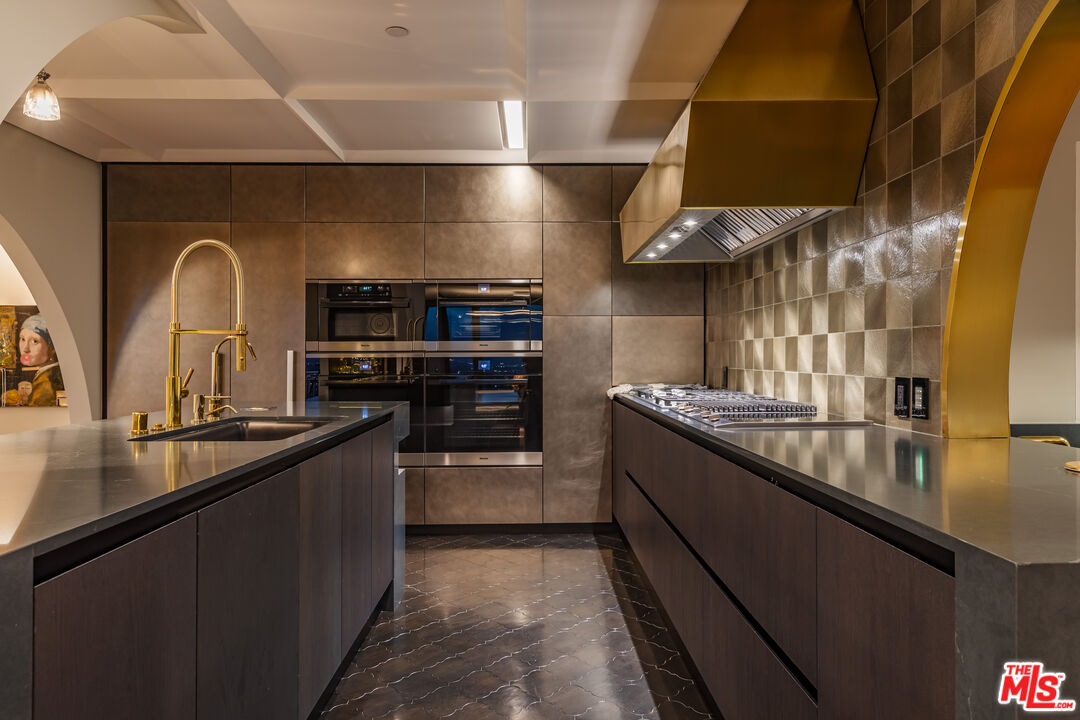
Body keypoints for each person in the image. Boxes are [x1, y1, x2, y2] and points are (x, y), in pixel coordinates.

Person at [3, 314, 63, 407]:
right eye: (22, 339)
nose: (25, 349)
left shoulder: (47, 382)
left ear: (52, 347)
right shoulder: (47, 373)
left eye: (35, 341)